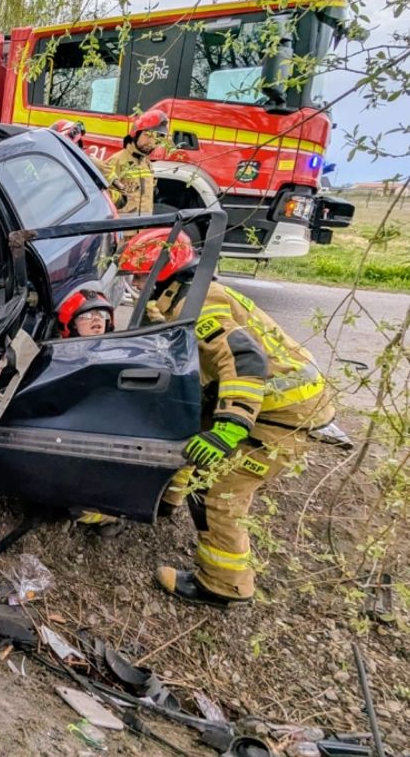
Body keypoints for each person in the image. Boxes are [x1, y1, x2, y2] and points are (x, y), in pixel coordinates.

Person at [118, 228, 336, 608]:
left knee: (217, 490)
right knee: (193, 435)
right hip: (272, 401)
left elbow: (245, 360)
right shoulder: (185, 293)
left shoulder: (200, 304)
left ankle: (223, 585)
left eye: (139, 277)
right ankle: (168, 501)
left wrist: (230, 428)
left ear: (163, 272)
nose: (134, 285)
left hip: (283, 411)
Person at [99, 110, 168, 215]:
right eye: (147, 135)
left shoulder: (147, 164)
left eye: (156, 138)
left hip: (142, 229)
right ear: (136, 133)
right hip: (121, 229)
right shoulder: (118, 160)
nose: (151, 142)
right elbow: (103, 196)